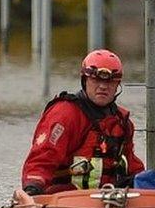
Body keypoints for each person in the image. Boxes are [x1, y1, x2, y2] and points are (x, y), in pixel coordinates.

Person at [20, 49, 145, 196]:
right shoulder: (65, 114)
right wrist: (33, 187)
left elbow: (132, 164)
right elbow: (43, 158)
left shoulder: (122, 122)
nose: (103, 86)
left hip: (108, 200)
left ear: (118, 84)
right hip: (64, 201)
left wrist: (149, 182)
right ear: (85, 80)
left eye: (110, 81)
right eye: (96, 80)